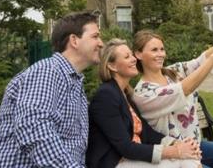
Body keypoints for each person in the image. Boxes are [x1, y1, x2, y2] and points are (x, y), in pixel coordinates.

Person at [0, 12, 104, 167]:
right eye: (95, 36)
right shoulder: (47, 71)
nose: (101, 43)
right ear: (74, 40)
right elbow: (34, 128)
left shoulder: (74, 82)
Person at [132, 16, 213, 168]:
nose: (160, 54)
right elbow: (184, 89)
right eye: (154, 50)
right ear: (138, 54)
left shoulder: (173, 71)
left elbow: (201, 61)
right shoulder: (144, 93)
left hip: (197, 145)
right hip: (176, 155)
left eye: (162, 49)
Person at [86, 38, 202, 168]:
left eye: (131, 54)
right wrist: (174, 152)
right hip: (115, 162)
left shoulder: (126, 93)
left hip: (132, 159)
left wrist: (175, 143)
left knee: (190, 161)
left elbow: (146, 132)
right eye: (126, 57)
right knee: (184, 162)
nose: (134, 59)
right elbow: (125, 147)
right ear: (112, 66)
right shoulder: (106, 96)